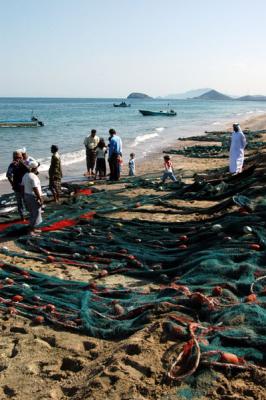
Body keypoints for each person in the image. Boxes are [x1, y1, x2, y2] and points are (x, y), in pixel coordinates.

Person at [21, 160, 43, 232]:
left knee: (31, 212)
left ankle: (32, 226)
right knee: (37, 212)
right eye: (36, 167)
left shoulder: (25, 175)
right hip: (33, 196)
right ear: (34, 168)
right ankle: (35, 227)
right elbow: (35, 188)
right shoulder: (33, 177)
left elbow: (22, 186)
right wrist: (39, 198)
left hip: (27, 195)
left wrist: (24, 196)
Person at [6, 151, 28, 220]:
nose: (18, 159)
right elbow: (8, 175)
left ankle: (24, 217)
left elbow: (8, 175)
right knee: (23, 201)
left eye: (19, 157)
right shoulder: (16, 164)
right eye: (17, 158)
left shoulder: (17, 164)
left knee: (21, 202)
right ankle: (23, 217)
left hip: (21, 186)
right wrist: (12, 184)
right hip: (21, 186)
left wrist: (12, 184)